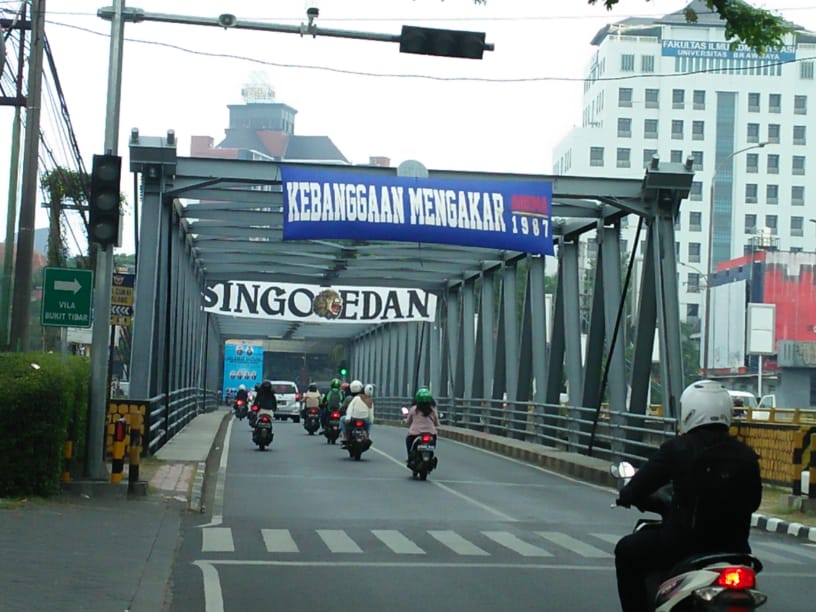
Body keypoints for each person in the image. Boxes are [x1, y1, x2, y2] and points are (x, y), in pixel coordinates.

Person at [614, 380, 762, 612]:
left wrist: (626, 495)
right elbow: (754, 502)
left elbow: (639, 487)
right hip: (735, 550)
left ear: (689, 411)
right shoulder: (747, 455)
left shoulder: (678, 448)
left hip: (682, 546)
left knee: (626, 550)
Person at [405, 387, 440, 461]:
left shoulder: (414, 409)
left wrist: (406, 421)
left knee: (408, 441)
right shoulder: (433, 409)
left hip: (415, 433)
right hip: (430, 433)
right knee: (433, 442)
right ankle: (430, 454)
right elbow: (436, 423)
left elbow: (408, 422)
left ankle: (409, 457)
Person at [340, 380, 373, 444]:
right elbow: (370, 411)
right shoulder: (367, 399)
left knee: (342, 420)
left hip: (353, 418)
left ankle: (345, 436)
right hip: (364, 419)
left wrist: (348, 418)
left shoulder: (351, 398)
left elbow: (350, 408)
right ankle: (367, 436)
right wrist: (371, 419)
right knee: (369, 423)